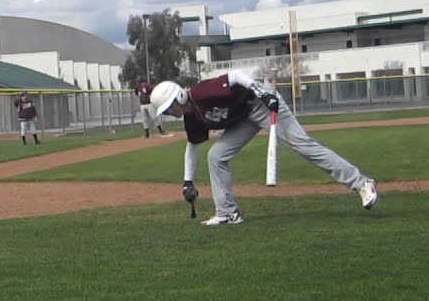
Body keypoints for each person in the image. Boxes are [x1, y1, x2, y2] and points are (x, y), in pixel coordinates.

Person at [152, 71, 378, 226]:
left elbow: (235, 76)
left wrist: (262, 92)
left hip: (261, 103)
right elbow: (192, 146)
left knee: (304, 146)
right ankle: (228, 213)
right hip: (244, 118)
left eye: (169, 108)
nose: (170, 113)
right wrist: (187, 181)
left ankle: (362, 183)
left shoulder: (202, 92)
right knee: (216, 155)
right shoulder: (192, 119)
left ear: (179, 97)